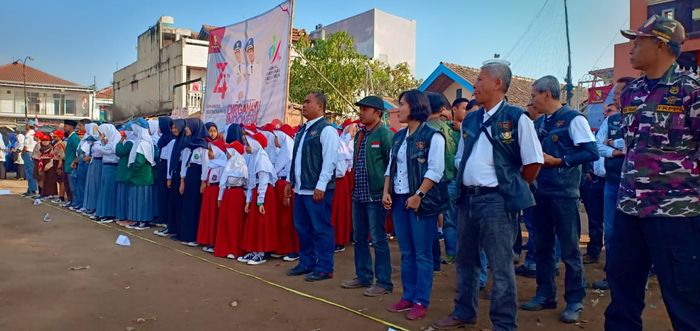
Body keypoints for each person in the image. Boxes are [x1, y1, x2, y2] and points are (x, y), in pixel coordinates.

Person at [605, 16, 700, 330]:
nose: (632, 48)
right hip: (629, 207)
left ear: (659, 44)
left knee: (685, 297)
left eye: (638, 41)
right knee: (622, 291)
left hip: (675, 214)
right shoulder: (631, 92)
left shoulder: (691, 91)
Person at [432, 62, 543, 330]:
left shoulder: (517, 118)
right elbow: (462, 156)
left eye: (480, 79)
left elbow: (533, 162)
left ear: (497, 83)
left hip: (496, 201)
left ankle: (504, 324)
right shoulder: (470, 119)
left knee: (501, 266)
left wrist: (509, 188)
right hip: (467, 199)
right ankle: (464, 311)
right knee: (465, 260)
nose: (474, 85)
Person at [520, 75, 599, 324]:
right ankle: (545, 294)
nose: (532, 100)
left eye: (534, 95)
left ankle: (575, 300)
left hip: (564, 194)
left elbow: (591, 152)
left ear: (546, 94)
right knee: (541, 247)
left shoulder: (574, 119)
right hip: (540, 193)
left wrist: (559, 161)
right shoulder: (541, 122)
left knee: (570, 250)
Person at [383, 89, 447, 321]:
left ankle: (421, 300)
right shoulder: (399, 137)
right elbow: (390, 167)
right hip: (399, 200)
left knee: (422, 254)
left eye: (402, 104)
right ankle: (407, 296)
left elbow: (435, 170)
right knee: (407, 252)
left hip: (421, 202)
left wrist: (419, 194)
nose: (398, 109)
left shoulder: (433, 136)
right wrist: (386, 192)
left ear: (415, 107)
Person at [340, 95, 394, 297]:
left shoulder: (385, 134)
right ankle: (363, 276)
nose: (360, 112)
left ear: (377, 113)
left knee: (378, 239)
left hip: (376, 195)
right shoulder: (361, 135)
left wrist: (387, 192)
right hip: (358, 195)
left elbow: (391, 165)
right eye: (360, 109)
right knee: (359, 237)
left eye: (365, 109)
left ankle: (384, 282)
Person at [285, 91, 340, 282]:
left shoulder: (327, 130)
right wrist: (290, 181)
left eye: (308, 102)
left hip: (316, 190)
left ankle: (325, 267)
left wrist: (321, 185)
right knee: (302, 228)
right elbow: (296, 159)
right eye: (303, 101)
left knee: (321, 228)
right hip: (301, 188)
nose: (303, 105)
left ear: (320, 106)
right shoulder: (302, 131)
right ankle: (306, 262)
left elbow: (330, 160)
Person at [590, 77, 634, 290]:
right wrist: (616, 150)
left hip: (637, 187)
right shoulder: (611, 121)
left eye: (617, 93)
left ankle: (636, 277)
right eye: (614, 94)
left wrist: (614, 143)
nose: (614, 97)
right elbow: (597, 147)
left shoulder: (643, 117)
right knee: (612, 231)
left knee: (635, 232)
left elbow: (634, 146)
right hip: (612, 183)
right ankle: (612, 275)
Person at [425, 92, 460, 267]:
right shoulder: (453, 128)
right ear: (442, 109)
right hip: (452, 178)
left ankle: (439, 255)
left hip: (432, 181)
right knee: (450, 218)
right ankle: (452, 252)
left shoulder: (425, 129)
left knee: (433, 218)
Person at [238, 132, 278, 265]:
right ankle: (254, 250)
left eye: (248, 144)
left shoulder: (262, 159)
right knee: (253, 222)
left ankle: (261, 253)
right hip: (257, 192)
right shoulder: (253, 158)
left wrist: (260, 201)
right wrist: (248, 200)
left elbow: (263, 181)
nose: (246, 147)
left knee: (261, 222)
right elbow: (251, 182)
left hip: (264, 193)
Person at [215, 141, 248, 259]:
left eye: (229, 151)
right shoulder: (228, 165)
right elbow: (223, 184)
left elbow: (247, 184)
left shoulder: (243, 167)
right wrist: (220, 198)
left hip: (237, 195)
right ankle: (225, 247)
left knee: (235, 222)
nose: (227, 154)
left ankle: (235, 248)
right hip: (228, 195)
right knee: (226, 221)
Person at [178, 118, 208, 246]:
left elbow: (205, 165)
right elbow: (184, 164)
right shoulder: (188, 145)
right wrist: (182, 180)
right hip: (189, 175)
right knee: (187, 205)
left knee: (195, 205)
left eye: (188, 127)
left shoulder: (202, 146)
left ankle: (194, 236)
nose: (186, 129)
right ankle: (185, 234)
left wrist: (203, 181)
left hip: (197, 176)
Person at [155, 119, 186, 238]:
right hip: (174, 173)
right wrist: (169, 177)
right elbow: (170, 161)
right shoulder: (174, 142)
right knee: (172, 200)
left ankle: (178, 228)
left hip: (182, 175)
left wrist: (182, 178)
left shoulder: (186, 142)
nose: (174, 130)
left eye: (176, 128)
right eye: (172, 128)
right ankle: (171, 227)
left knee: (179, 202)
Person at [272, 124, 299, 261]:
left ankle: (292, 249)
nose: (274, 141)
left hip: (286, 186)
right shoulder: (283, 150)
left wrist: (287, 193)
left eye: (276, 137)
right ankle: (282, 248)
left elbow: (290, 173)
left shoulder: (288, 152)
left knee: (288, 219)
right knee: (281, 219)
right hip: (280, 184)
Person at [197, 137, 228, 252]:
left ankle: (214, 241)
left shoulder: (222, 165)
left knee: (214, 216)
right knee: (208, 215)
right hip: (209, 191)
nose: (209, 153)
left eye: (211, 151)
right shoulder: (211, 164)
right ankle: (207, 239)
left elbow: (222, 182)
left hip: (216, 191)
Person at [125, 119, 156, 230]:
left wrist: (132, 170)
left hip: (142, 175)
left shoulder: (143, 143)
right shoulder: (140, 141)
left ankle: (143, 220)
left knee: (142, 199)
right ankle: (137, 219)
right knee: (136, 198)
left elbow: (140, 161)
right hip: (139, 175)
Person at [331, 119, 357, 253]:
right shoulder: (340, 142)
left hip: (339, 181)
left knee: (339, 211)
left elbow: (341, 170)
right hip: (337, 180)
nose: (353, 134)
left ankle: (339, 240)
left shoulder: (340, 145)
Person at [93, 123, 121, 222]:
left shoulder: (115, 141)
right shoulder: (110, 141)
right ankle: (103, 212)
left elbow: (98, 149)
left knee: (109, 190)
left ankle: (109, 214)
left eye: (103, 133)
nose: (102, 135)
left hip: (112, 167)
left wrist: (99, 141)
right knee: (104, 190)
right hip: (106, 167)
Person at [155, 117, 174, 228]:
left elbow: (169, 157)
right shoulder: (163, 138)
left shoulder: (170, 139)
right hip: (161, 165)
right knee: (161, 193)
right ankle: (161, 216)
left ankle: (164, 218)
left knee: (165, 193)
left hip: (166, 167)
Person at [81, 123, 103, 215]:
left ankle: (94, 207)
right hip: (92, 164)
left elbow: (99, 153)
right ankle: (90, 206)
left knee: (95, 185)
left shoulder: (100, 142)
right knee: (90, 185)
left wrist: (90, 158)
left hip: (97, 164)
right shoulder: (93, 141)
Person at [114, 127, 133, 226]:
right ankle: (122, 216)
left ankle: (125, 216)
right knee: (122, 195)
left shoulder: (130, 143)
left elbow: (119, 151)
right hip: (123, 171)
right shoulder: (130, 142)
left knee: (125, 196)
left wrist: (120, 141)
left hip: (125, 171)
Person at [69, 123, 90, 211]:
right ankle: (77, 203)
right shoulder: (84, 137)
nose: (79, 127)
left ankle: (82, 204)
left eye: (81, 125)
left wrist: (76, 160)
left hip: (85, 164)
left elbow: (83, 153)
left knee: (83, 186)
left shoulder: (89, 138)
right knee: (78, 185)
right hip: (80, 163)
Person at [62, 120, 79, 207]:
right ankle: (71, 201)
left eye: (66, 125)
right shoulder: (70, 137)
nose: (64, 127)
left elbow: (78, 151)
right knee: (68, 185)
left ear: (71, 127)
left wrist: (75, 161)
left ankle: (75, 202)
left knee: (73, 186)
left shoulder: (74, 138)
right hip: (68, 164)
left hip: (72, 165)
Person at [21, 120, 38, 196]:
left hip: (28, 153)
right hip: (33, 153)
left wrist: (22, 153)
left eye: (26, 125)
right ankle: (30, 189)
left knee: (29, 172)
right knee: (31, 172)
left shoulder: (28, 134)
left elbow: (25, 147)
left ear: (28, 125)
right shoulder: (35, 133)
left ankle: (32, 190)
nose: (25, 126)